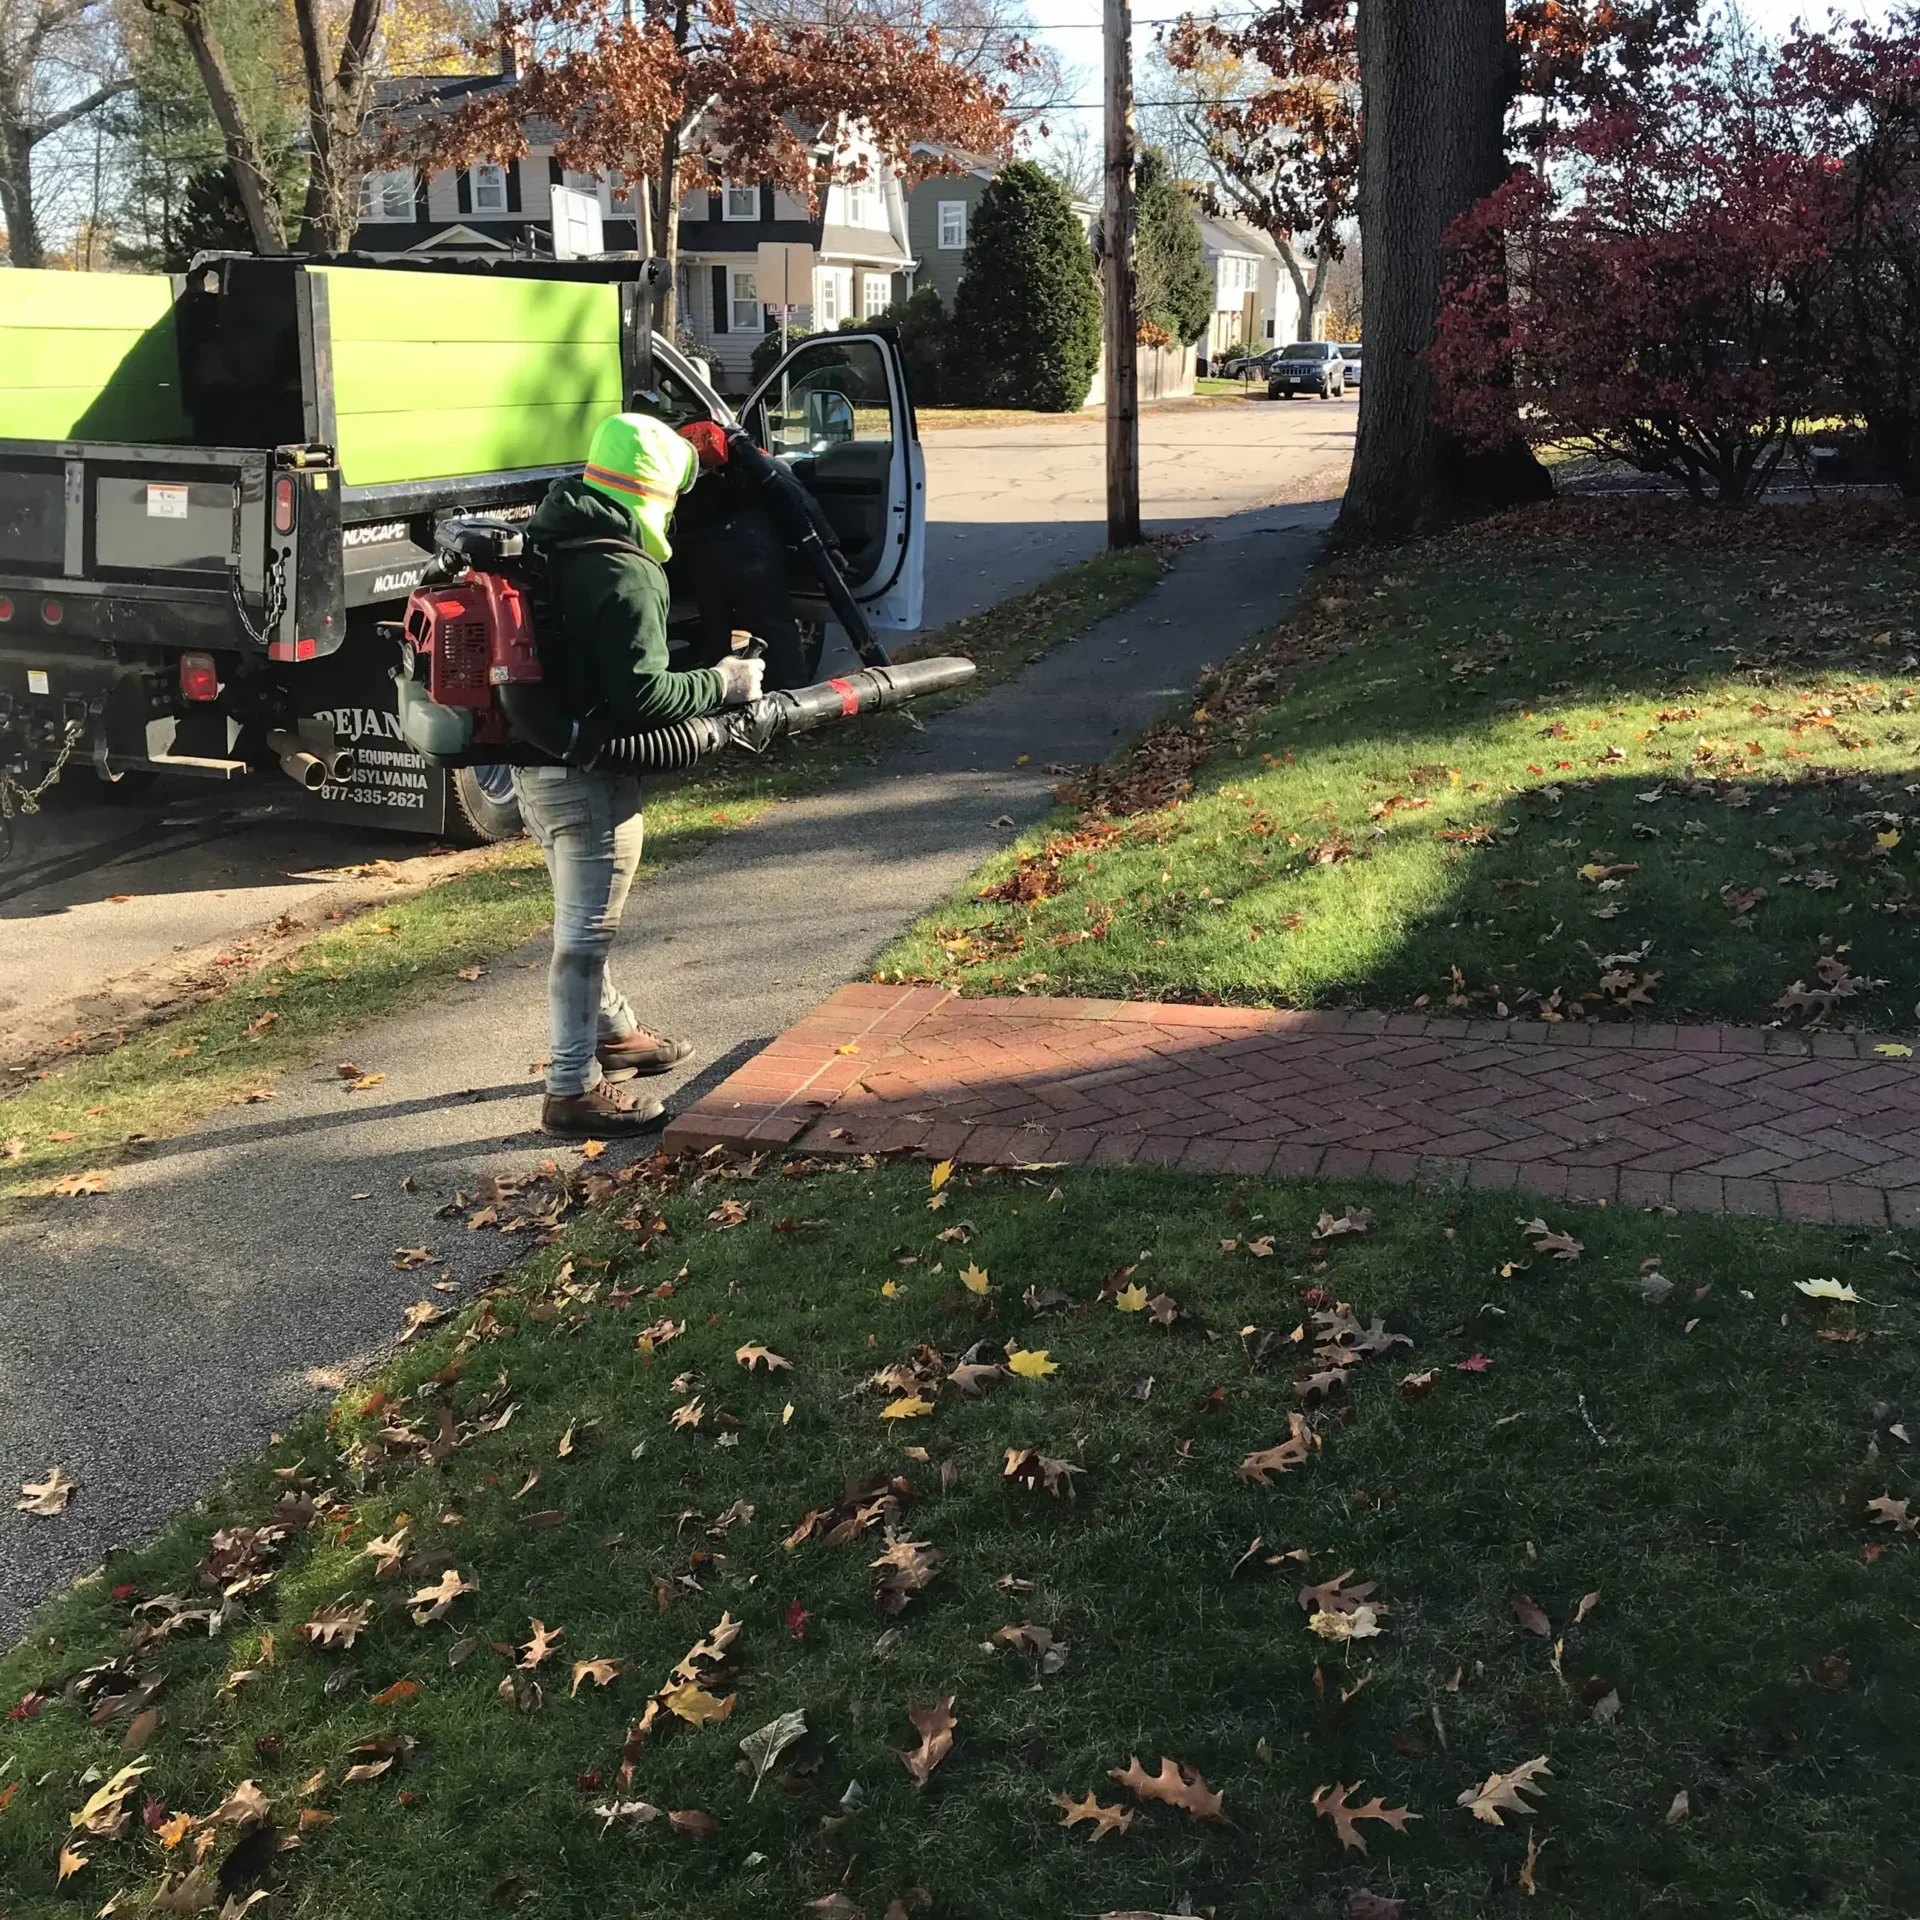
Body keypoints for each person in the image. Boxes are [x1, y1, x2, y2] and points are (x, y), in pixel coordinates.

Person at [513, 412, 763, 1139]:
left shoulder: (550, 534)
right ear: (658, 493)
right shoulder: (625, 569)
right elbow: (644, 698)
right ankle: (572, 1089)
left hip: (533, 765)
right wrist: (724, 681)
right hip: (587, 777)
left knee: (579, 914)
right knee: (585, 935)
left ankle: (617, 1033)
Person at [668, 418, 817, 691]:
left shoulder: (677, 453)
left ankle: (722, 701)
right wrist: (825, 550)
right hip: (748, 550)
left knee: (717, 636)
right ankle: (794, 702)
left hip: (707, 550)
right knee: (774, 633)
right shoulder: (753, 461)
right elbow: (800, 502)